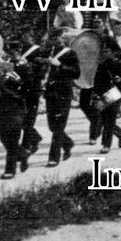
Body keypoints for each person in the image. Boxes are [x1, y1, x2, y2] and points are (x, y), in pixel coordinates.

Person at [0, 38, 40, 179]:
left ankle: (10, 170)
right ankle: (23, 154)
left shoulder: (25, 66)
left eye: (16, 50)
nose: (13, 53)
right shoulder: (4, 65)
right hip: (3, 105)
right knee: (3, 137)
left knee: (12, 138)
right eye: (10, 50)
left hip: (18, 105)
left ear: (20, 51)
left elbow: (29, 87)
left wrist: (15, 82)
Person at [41, 28, 79, 167]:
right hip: (50, 92)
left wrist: (61, 66)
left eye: (57, 37)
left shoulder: (70, 53)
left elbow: (76, 73)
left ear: (63, 38)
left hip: (63, 92)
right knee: (52, 126)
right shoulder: (49, 52)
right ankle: (67, 143)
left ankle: (53, 157)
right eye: (52, 38)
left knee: (58, 126)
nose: (55, 40)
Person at [91, 39, 121, 154]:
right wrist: (94, 93)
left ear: (113, 52)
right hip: (102, 93)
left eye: (107, 51)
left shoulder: (118, 63)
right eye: (103, 52)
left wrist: (120, 80)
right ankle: (120, 133)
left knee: (110, 119)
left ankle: (106, 145)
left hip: (114, 93)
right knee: (103, 119)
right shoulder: (100, 64)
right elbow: (96, 81)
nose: (104, 54)